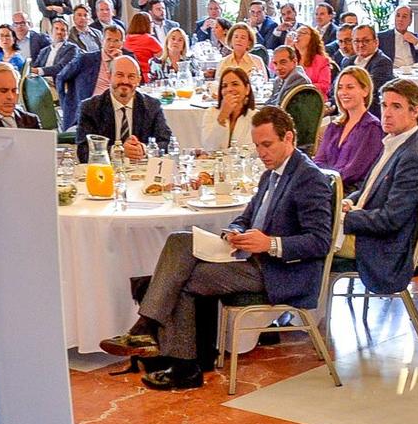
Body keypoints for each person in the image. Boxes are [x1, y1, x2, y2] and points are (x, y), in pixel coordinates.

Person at [101, 106, 335, 390]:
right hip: (251, 259)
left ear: (289, 138)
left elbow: (320, 241)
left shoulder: (309, 178)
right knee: (180, 239)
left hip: (281, 271)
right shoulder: (269, 175)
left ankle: (171, 352)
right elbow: (245, 217)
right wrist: (234, 231)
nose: (261, 153)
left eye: (267, 145)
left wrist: (271, 243)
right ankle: (159, 341)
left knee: (184, 278)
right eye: (257, 145)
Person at [337, 79, 418, 291]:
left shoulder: (414, 157)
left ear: (415, 111)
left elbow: (391, 220)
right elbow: (368, 190)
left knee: (308, 239)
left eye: (396, 106)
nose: (387, 113)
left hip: (379, 247)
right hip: (365, 228)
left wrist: (344, 218)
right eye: (384, 105)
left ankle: (302, 313)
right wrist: (347, 201)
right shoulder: (394, 141)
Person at [78, 55, 170, 160]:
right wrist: (118, 151)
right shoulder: (91, 108)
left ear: (138, 80)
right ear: (109, 76)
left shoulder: (152, 106)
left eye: (131, 76)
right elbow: (83, 151)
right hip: (106, 170)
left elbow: (167, 142)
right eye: (119, 75)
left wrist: (143, 149)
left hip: (141, 170)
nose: (125, 81)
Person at [315, 65, 383, 193]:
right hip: (325, 186)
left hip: (348, 192)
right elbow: (319, 160)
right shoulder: (334, 126)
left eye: (350, 87)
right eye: (340, 88)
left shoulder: (372, 128)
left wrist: (324, 183)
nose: (343, 92)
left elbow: (354, 171)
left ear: (365, 91)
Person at [198, 65, 257, 152]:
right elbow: (209, 147)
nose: (229, 89)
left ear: (247, 89)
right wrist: (222, 116)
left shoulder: (255, 117)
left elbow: (249, 151)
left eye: (235, 84)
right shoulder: (211, 113)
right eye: (224, 86)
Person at [379, 4, 418, 69]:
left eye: (404, 17)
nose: (400, 19)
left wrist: (416, 43)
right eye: (398, 16)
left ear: (410, 21)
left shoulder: (417, 38)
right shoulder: (382, 37)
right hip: (393, 74)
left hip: (414, 75)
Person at [292, 24, 333, 98]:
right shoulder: (292, 59)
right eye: (296, 33)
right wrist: (287, 47)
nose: (297, 36)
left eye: (302, 33)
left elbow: (325, 86)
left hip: (313, 99)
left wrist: (302, 88)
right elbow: (273, 69)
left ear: (312, 39)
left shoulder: (321, 61)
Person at [122, 12, 163, 80]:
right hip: (146, 77)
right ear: (147, 24)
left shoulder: (125, 39)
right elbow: (162, 56)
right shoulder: (149, 39)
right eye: (151, 22)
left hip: (129, 76)